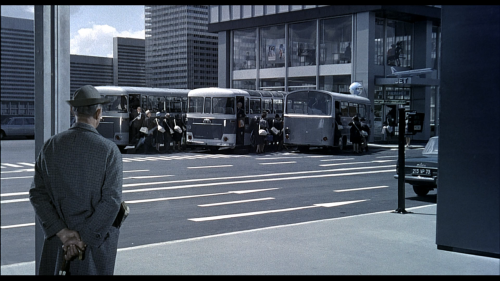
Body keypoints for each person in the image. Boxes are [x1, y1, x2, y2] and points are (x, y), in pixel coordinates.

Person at [29, 85, 123, 275]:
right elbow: (111, 201)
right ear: (98, 113)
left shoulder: (51, 146)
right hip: (94, 248)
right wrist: (82, 239)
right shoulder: (109, 150)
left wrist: (63, 233)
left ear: (74, 110)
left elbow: (37, 194)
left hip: (58, 244)